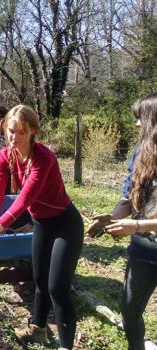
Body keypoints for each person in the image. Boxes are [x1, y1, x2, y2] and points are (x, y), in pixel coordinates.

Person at [0, 104, 84, 350]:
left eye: (20, 132)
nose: (12, 137)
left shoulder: (44, 158)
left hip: (65, 224)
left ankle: (66, 346)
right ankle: (38, 331)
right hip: (41, 224)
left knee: (57, 289)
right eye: (9, 130)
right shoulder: (4, 157)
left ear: (33, 132)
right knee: (39, 281)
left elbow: (23, 202)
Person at [87, 93, 157, 350]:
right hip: (144, 250)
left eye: (141, 118)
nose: (138, 124)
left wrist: (136, 226)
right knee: (129, 307)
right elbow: (129, 198)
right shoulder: (140, 154)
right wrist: (113, 217)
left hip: (143, 235)